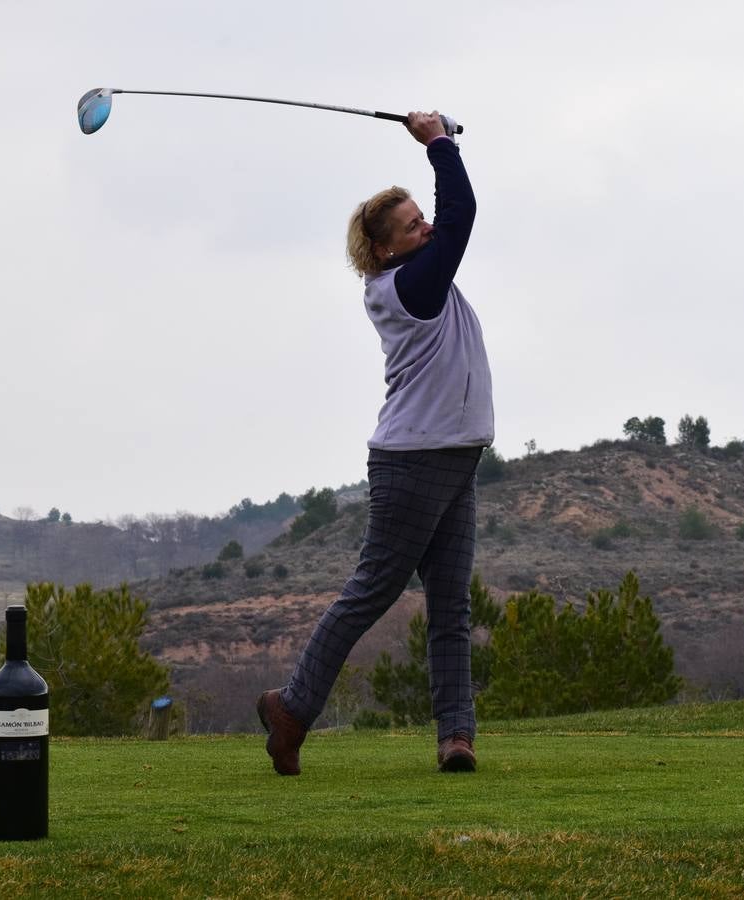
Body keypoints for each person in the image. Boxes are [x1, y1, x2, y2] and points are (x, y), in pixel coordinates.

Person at [257, 110, 494, 775]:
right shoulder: (412, 283)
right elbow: (464, 212)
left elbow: (452, 222)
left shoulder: (415, 276)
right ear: (387, 248)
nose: (427, 227)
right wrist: (437, 143)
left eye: (423, 218)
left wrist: (436, 147)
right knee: (370, 592)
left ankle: (456, 738)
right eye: (412, 225)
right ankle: (293, 707)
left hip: (451, 458)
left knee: (450, 606)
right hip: (415, 463)